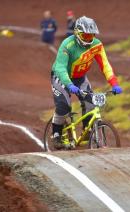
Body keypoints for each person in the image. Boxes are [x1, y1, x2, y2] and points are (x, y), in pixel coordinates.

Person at [50, 16, 122, 149]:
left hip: (80, 78)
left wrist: (114, 84)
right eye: (85, 36)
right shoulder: (67, 44)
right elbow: (60, 67)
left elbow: (105, 65)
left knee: (91, 103)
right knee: (64, 106)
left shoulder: (97, 45)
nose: (89, 39)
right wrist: (69, 84)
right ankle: (56, 135)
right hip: (61, 77)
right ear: (77, 33)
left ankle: (88, 131)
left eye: (91, 35)